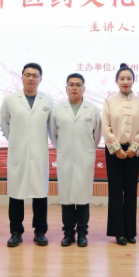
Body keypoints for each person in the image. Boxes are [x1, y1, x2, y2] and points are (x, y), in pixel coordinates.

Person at [0, 63, 53, 248]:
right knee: (16, 194)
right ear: (22, 77)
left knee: (40, 194)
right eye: (27, 75)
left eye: (35, 75)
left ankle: (40, 231)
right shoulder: (10, 99)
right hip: (19, 151)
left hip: (39, 153)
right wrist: (17, 141)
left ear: (40, 79)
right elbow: (5, 125)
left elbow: (51, 127)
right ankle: (16, 232)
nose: (31, 78)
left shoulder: (48, 101)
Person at [50, 74, 102, 247]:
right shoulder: (58, 110)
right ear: (66, 88)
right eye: (71, 84)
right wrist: (63, 149)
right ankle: (68, 234)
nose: (74, 88)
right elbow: (53, 134)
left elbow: (97, 135)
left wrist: (87, 150)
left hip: (84, 157)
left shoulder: (92, 109)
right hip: (65, 157)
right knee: (66, 199)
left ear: (84, 88)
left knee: (83, 198)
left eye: (78, 85)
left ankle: (82, 233)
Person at [102, 65, 139, 246]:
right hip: (114, 151)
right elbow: (105, 126)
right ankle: (118, 232)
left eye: (128, 78)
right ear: (116, 81)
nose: (125, 81)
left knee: (130, 191)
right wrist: (116, 148)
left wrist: (134, 147)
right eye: (122, 78)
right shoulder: (109, 102)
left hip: (133, 152)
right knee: (115, 191)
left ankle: (130, 232)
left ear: (133, 80)